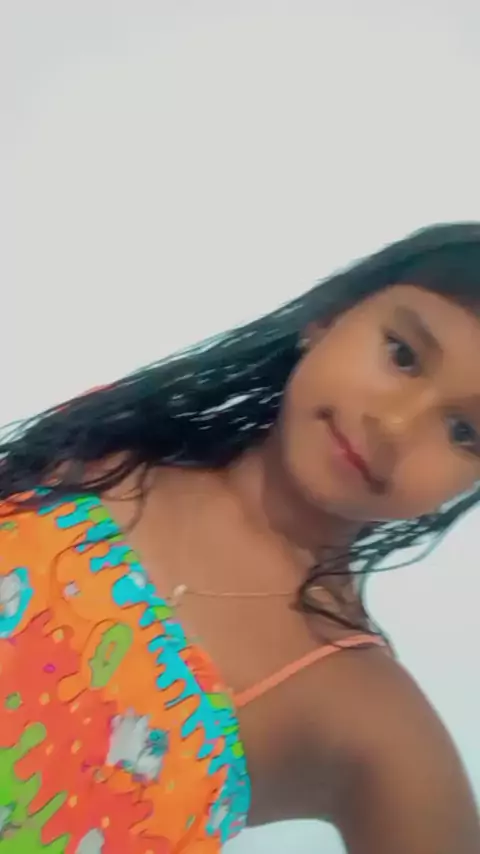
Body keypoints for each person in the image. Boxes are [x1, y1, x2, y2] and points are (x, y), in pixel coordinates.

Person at [1, 222, 480, 854]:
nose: (393, 425)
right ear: (329, 317)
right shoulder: (104, 447)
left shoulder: (365, 718)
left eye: (463, 432)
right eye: (403, 355)